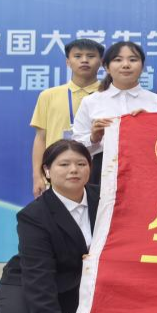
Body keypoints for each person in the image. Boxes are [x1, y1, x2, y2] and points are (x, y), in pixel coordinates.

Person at [0, 140, 115, 313]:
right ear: (47, 171)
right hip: (32, 279)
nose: (74, 170)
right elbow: (38, 272)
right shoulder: (33, 216)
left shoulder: (108, 200)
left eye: (81, 164)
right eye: (64, 164)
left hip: (83, 282)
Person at [73, 41, 157, 186]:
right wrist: (94, 138)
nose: (126, 65)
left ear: (142, 66)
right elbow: (77, 148)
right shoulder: (91, 101)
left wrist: (150, 127)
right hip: (102, 170)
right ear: (106, 67)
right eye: (118, 60)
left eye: (133, 60)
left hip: (147, 171)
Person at [28, 38, 102, 197]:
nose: (84, 60)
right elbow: (40, 138)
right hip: (58, 172)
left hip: (100, 172)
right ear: (68, 62)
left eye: (90, 56)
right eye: (78, 56)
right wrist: (37, 176)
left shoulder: (110, 95)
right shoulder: (48, 95)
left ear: (101, 62)